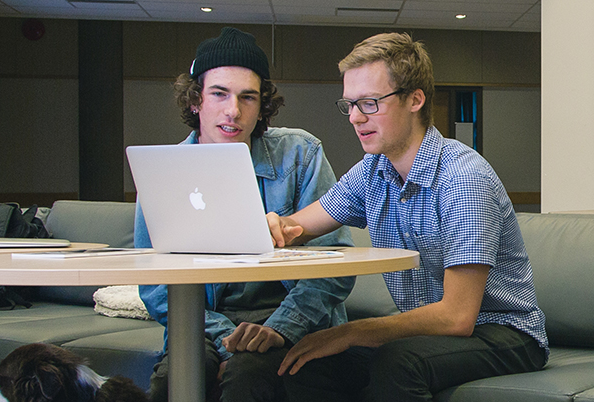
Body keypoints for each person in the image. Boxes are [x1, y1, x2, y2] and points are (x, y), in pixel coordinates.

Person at [271, 32, 548, 401]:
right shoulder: (372, 170)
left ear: (415, 99)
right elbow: (297, 228)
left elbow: (457, 317)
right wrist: (272, 225)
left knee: (396, 362)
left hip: (503, 332)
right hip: (427, 337)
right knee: (305, 363)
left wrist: (350, 331)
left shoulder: (463, 178)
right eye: (350, 104)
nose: (354, 117)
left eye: (369, 103)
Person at [135, 27, 355, 402]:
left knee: (246, 378)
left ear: (262, 105)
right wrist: (225, 338)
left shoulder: (300, 153)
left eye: (247, 98)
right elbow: (153, 282)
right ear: (195, 100)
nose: (233, 111)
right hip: (201, 321)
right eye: (219, 94)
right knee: (169, 385)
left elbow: (336, 266)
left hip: (289, 318)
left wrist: (280, 328)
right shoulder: (164, 169)